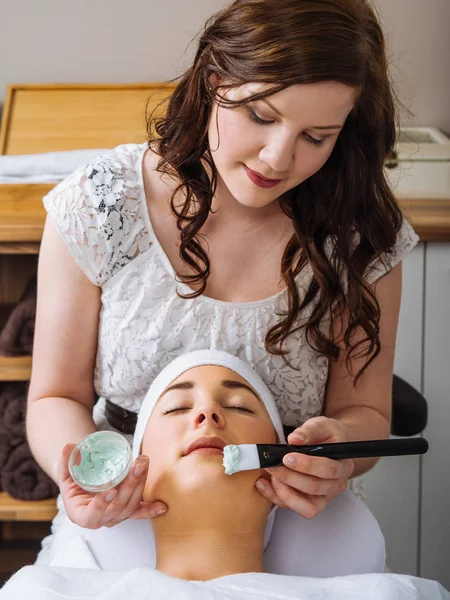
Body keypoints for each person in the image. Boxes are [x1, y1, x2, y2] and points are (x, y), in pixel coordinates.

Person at [26, 0, 418, 573]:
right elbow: (53, 397)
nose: (278, 157)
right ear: (215, 79)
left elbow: (363, 410)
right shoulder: (100, 207)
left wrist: (341, 449)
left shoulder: (363, 238)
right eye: (260, 116)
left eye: (317, 135)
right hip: (129, 509)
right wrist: (87, 474)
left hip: (293, 515)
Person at [5, 352, 448, 599]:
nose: (207, 412)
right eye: (178, 408)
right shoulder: (43, 593)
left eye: (239, 407)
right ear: (131, 467)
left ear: (282, 466)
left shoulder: (382, 597)